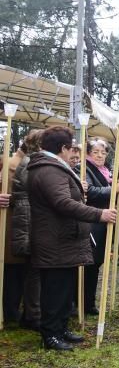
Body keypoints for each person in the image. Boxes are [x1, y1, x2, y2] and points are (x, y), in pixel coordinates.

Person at [26, 127, 117, 350]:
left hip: (62, 239)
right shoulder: (49, 170)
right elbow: (63, 203)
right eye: (71, 147)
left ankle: (61, 328)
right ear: (63, 148)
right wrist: (98, 214)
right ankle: (51, 334)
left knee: (64, 287)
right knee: (55, 289)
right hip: (54, 239)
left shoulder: (54, 168)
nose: (73, 152)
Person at [82, 139, 119, 314]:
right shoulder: (84, 168)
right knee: (90, 262)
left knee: (97, 261)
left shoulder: (106, 170)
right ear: (88, 153)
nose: (100, 155)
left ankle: (89, 302)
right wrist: (113, 189)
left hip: (104, 221)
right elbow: (89, 191)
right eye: (96, 152)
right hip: (92, 220)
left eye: (103, 152)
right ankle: (84, 303)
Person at [8, 130, 44, 331]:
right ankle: (33, 315)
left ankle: (32, 313)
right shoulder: (30, 164)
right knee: (34, 270)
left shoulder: (32, 162)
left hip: (31, 218)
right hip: (30, 220)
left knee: (34, 269)